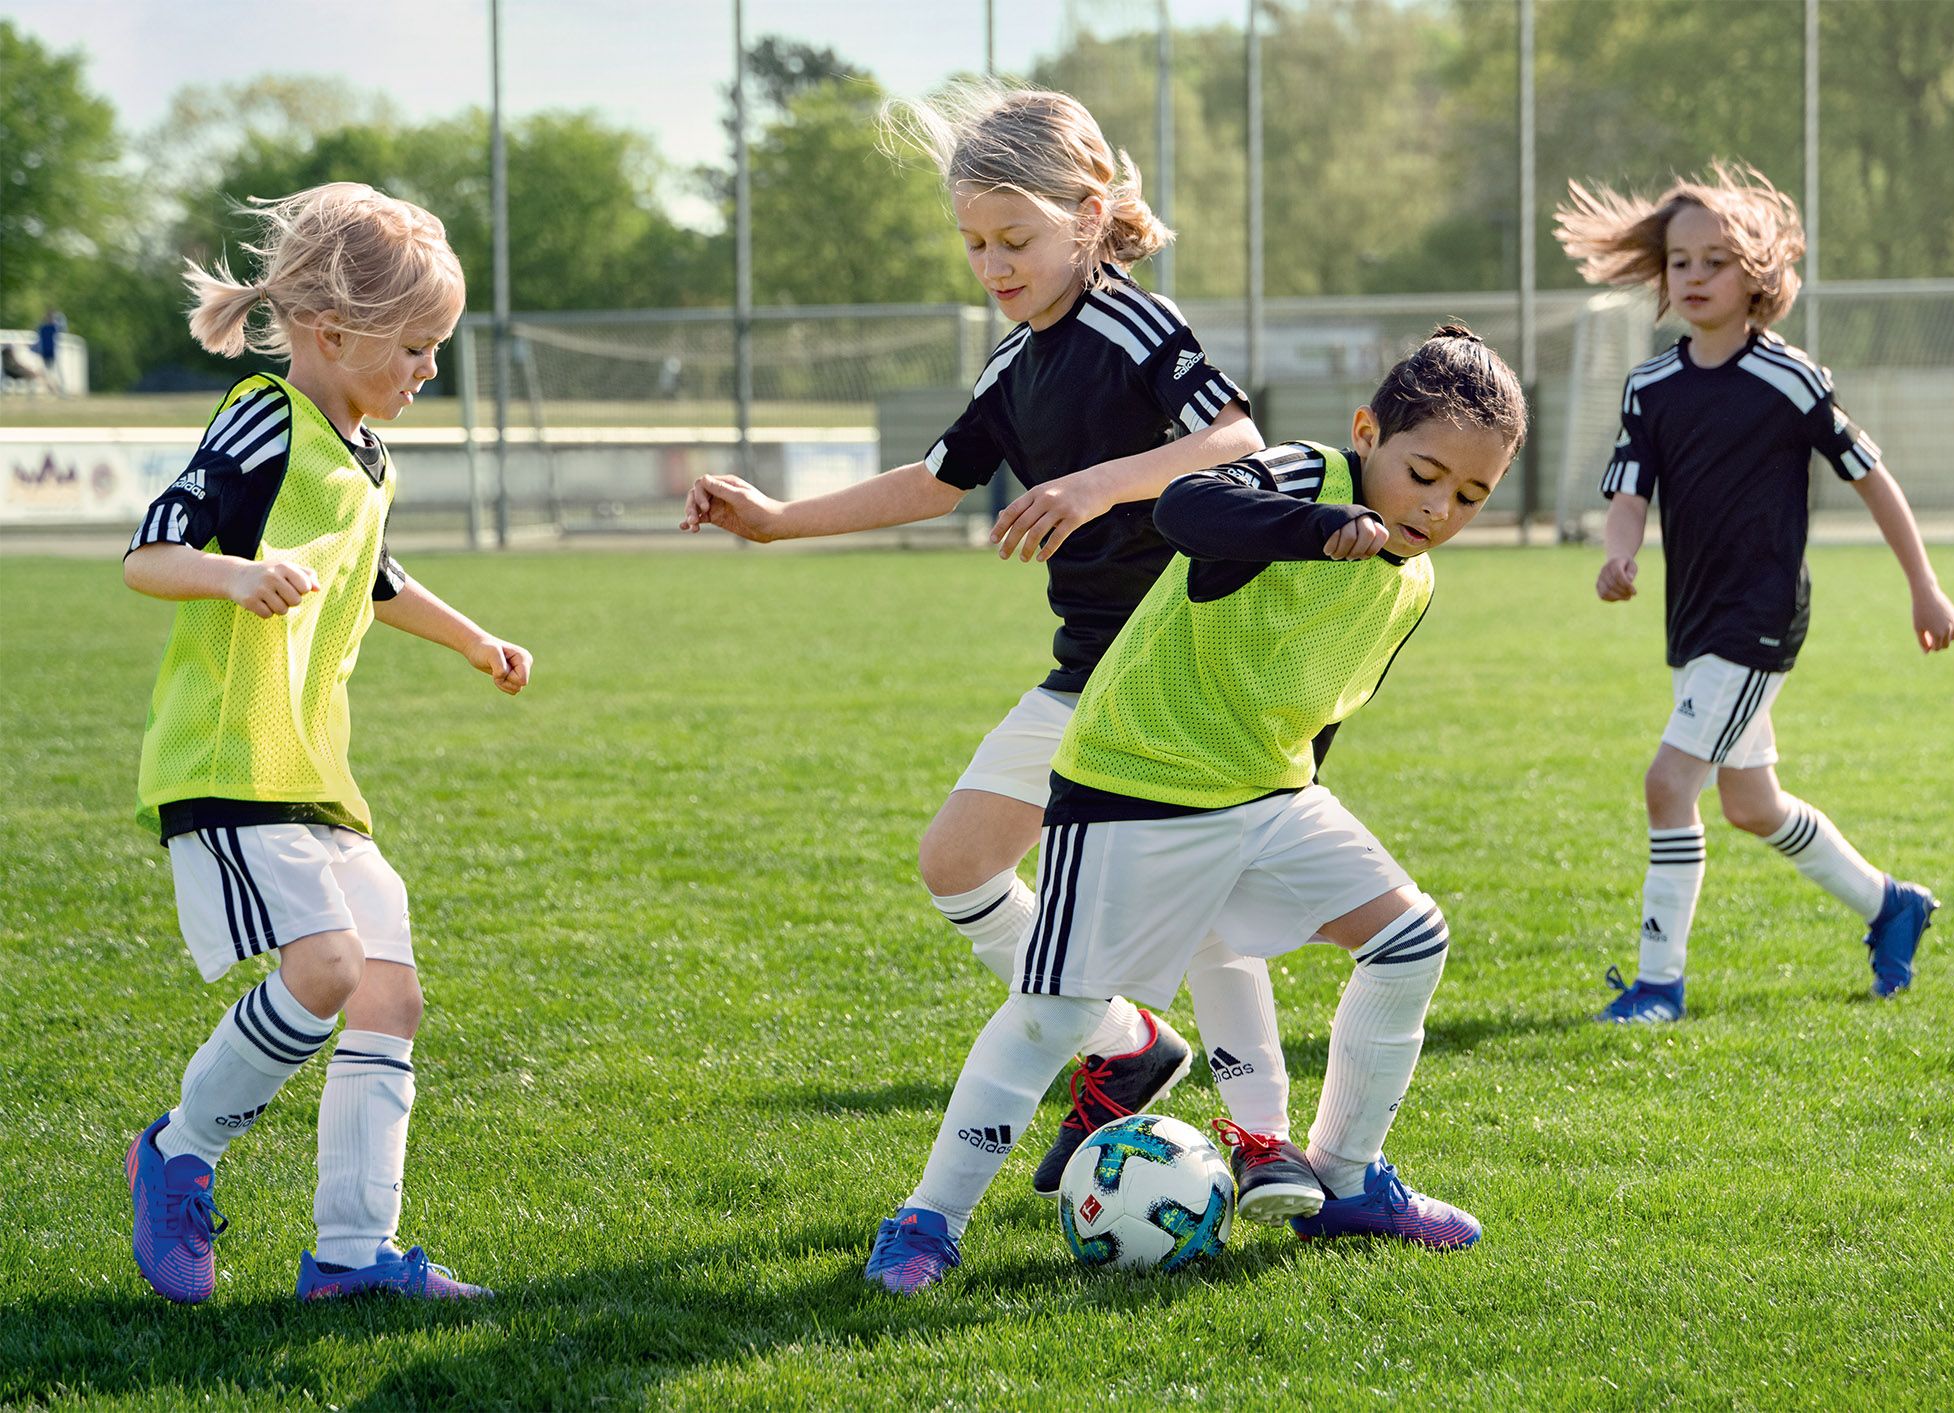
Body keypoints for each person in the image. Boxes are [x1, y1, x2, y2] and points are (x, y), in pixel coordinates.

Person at [681, 84, 1314, 1219]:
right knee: (956, 861)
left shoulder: (1134, 326)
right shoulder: (1012, 364)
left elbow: (1235, 437)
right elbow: (933, 479)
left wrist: (1092, 484)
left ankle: (1263, 1138)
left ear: (1088, 214)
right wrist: (774, 520)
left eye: (1013, 239)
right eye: (972, 242)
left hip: (1186, 668)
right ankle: (1120, 1045)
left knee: (1206, 907)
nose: (991, 263)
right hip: (1090, 673)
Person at [862, 326, 1526, 1292]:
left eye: (1472, 496)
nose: (1440, 507)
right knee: (1054, 1014)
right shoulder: (1306, 475)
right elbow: (1188, 507)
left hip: (1265, 792)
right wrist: (1316, 528)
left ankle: (1342, 1181)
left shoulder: (1413, 583)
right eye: (1424, 473)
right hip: (1132, 783)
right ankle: (927, 1221)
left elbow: (1323, 702)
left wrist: (1299, 807)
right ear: (1366, 432)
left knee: (1410, 938)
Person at [122, 182, 533, 1304]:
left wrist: (472, 639)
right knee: (327, 971)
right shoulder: (261, 414)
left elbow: (376, 578)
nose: (429, 371)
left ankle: (352, 1258)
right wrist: (239, 574)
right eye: (417, 347)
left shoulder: (366, 457)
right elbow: (150, 554)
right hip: (228, 762)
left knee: (387, 995)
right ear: (333, 333)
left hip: (314, 773)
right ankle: (175, 1153)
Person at [1554, 163, 1954, 1023]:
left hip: (1761, 615)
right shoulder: (1649, 387)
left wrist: (1924, 587)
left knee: (1670, 784)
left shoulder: (1792, 381)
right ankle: (1891, 904)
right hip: (1693, 616)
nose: (1692, 277)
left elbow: (1874, 480)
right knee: (1751, 804)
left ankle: (1659, 984)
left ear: (1758, 277)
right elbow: (1629, 494)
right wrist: (1618, 556)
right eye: (1679, 262)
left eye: (1715, 262)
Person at [37, 307, 66, 393]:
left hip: (54, 353)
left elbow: (63, 328)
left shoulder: (54, 327)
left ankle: (61, 389)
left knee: (57, 371)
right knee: (46, 372)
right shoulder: (42, 328)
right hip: (44, 352)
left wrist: (61, 317)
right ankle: (52, 389)